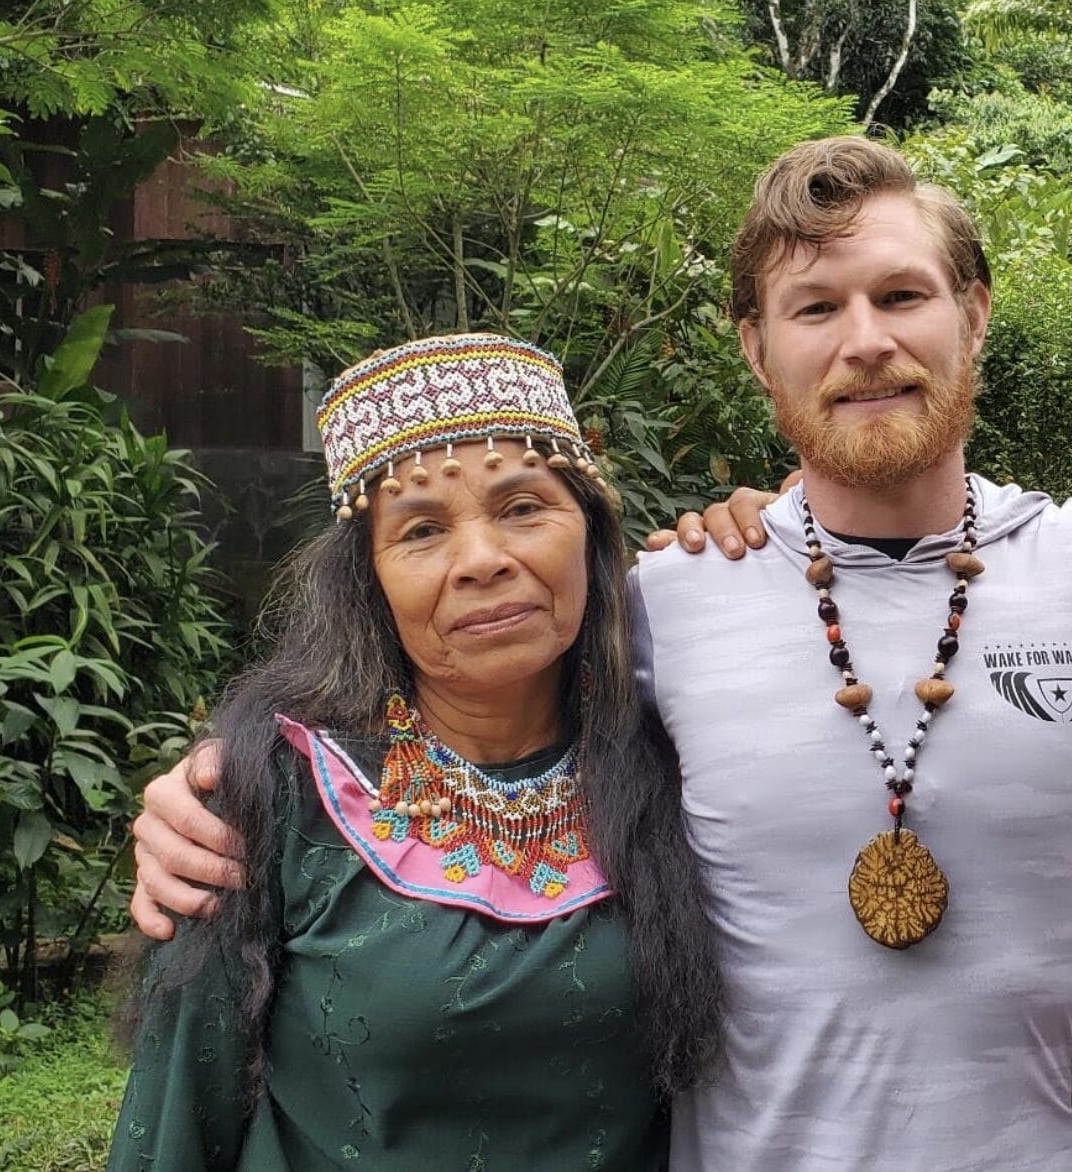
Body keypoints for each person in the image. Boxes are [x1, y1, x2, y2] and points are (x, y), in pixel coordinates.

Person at [126, 139, 1072, 1171]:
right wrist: (212, 784)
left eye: (901, 293)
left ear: (974, 316)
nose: (864, 339)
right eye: (813, 307)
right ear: (755, 348)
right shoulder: (665, 597)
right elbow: (448, 703)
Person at [108, 334, 723, 1170]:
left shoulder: (681, 754)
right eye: (422, 530)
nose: (482, 561)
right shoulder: (273, 795)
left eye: (523, 508)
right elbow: (178, 1117)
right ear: (370, 579)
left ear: (591, 532)